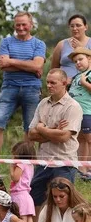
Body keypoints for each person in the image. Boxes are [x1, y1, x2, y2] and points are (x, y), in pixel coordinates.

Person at [0, 12, 46, 159]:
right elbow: (3, 66)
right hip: (9, 87)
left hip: (32, 88)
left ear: (31, 25)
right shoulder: (6, 42)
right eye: (18, 25)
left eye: (24, 24)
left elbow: (38, 65)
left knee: (30, 127)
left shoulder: (39, 44)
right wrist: (30, 66)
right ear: (14, 26)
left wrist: (12, 61)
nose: (21, 28)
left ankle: (26, 163)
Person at [27, 68, 81, 207]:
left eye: (53, 83)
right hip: (43, 161)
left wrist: (42, 129)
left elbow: (64, 137)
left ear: (64, 83)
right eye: (47, 82)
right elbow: (31, 134)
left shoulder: (73, 107)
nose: (49, 85)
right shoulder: (43, 103)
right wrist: (52, 130)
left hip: (64, 162)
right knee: (34, 199)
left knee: (64, 202)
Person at [66, 46, 91, 180]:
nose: (78, 63)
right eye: (75, 61)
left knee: (88, 140)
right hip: (77, 113)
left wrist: (84, 83)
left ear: (89, 59)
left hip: (87, 112)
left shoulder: (89, 74)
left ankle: (87, 167)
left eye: (80, 59)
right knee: (81, 139)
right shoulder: (77, 76)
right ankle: (82, 167)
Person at [9, 140, 37, 222]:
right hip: (27, 196)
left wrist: (12, 167)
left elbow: (15, 178)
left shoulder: (21, 164)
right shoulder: (30, 165)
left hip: (19, 196)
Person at [50, 14, 89, 81]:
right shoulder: (61, 44)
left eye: (78, 25)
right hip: (64, 87)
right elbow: (54, 69)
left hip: (86, 86)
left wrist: (82, 49)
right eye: (72, 26)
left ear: (86, 27)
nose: (75, 28)